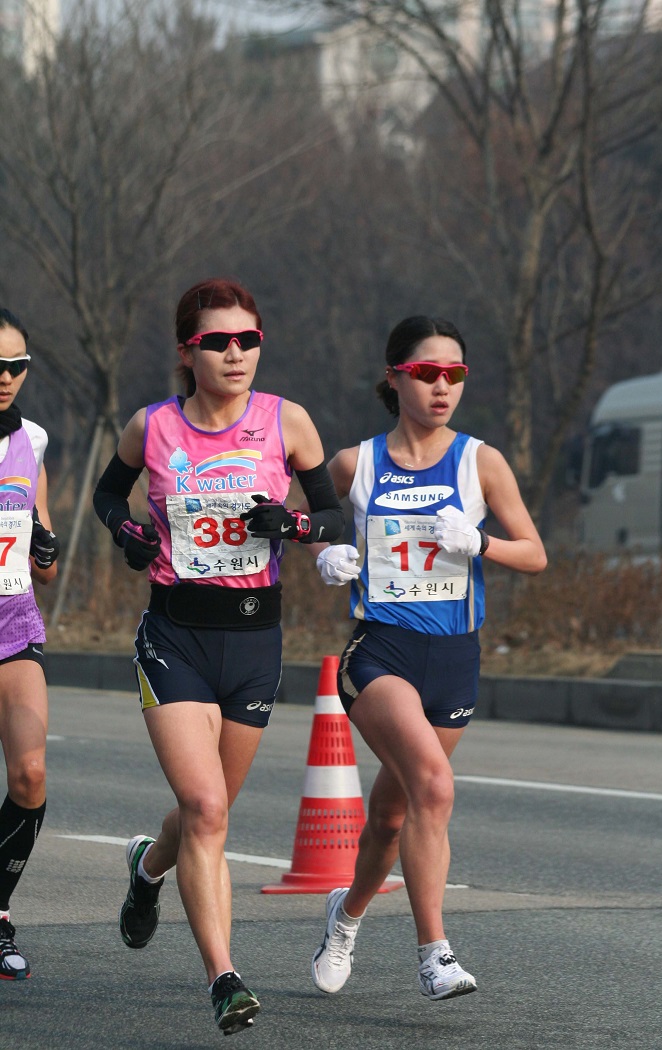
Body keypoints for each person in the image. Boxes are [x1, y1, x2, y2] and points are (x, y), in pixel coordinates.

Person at [92, 277, 343, 1035]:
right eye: (217, 342)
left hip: (254, 641)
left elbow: (330, 512)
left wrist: (296, 526)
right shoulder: (153, 427)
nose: (235, 354)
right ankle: (224, 977)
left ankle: (146, 869)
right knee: (205, 809)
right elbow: (109, 496)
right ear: (187, 351)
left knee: (209, 814)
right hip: (175, 637)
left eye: (248, 340)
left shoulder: (286, 421)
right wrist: (126, 533)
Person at [308, 315, 546, 1002]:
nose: (443, 387)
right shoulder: (357, 464)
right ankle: (434, 954)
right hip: (380, 652)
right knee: (435, 789)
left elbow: (535, 552)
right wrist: (324, 554)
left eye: (455, 375)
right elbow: (301, 522)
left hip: (452, 657)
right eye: (426, 373)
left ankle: (345, 915)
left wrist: (481, 543)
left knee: (391, 816)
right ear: (395, 377)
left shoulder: (480, 461)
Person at [0, 308, 60, 980]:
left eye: (18, 366)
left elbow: (42, 558)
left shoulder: (32, 440)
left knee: (30, 775)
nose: (7, 378)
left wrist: (45, 545)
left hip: (13, 628)